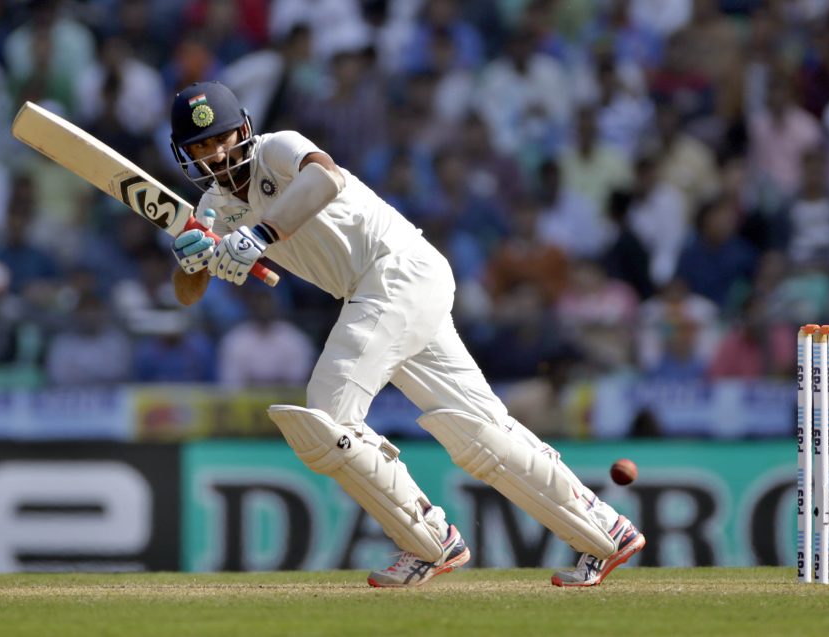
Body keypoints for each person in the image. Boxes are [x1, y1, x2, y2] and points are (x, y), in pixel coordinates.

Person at [167, 81, 645, 588]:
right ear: (187, 154)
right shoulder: (216, 207)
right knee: (477, 433)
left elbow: (324, 178)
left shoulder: (279, 148)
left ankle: (429, 540)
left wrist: (260, 234)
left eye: (221, 139)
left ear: (243, 128)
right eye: (201, 147)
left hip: (397, 271)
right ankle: (605, 531)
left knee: (326, 416)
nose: (216, 154)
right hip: (377, 293)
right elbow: (188, 291)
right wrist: (191, 260)